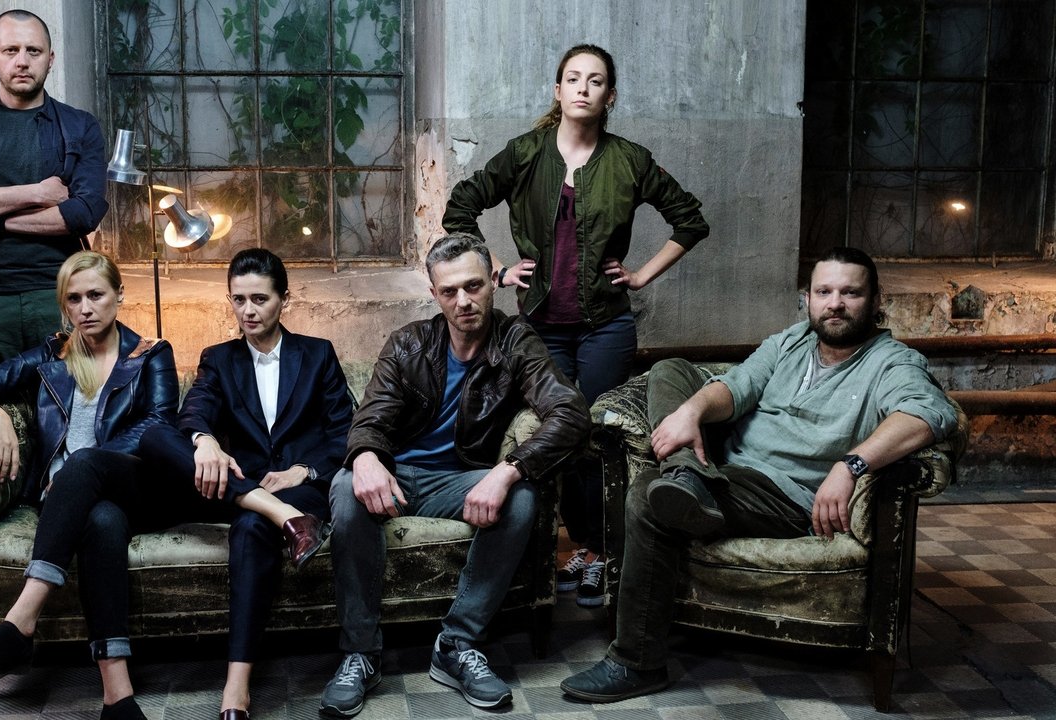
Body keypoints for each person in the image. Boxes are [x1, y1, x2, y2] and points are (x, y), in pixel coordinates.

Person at [560, 247, 959, 702]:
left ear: (874, 300)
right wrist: (691, 411)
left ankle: (636, 663)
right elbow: (737, 387)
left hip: (786, 496)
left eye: (850, 293)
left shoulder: (891, 361)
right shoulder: (790, 342)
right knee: (670, 371)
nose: (835, 304)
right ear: (807, 298)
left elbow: (930, 414)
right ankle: (687, 478)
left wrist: (850, 465)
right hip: (727, 471)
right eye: (824, 292)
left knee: (648, 496)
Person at [442, 43, 710, 607]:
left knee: (601, 434)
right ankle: (558, 550)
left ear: (610, 95)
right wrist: (496, 270)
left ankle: (598, 551)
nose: (583, 88)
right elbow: (461, 206)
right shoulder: (526, 153)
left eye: (595, 80)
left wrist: (640, 276)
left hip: (606, 325)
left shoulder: (629, 160)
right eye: (573, 78)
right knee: (555, 433)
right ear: (557, 90)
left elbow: (690, 220)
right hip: (540, 326)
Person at [320, 233, 591, 716]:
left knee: (522, 496)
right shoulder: (408, 343)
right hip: (400, 475)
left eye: (473, 286)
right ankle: (360, 651)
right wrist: (364, 457)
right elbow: (371, 417)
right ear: (434, 294)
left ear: (493, 282)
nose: (463, 301)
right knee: (344, 487)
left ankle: (457, 644)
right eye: (449, 291)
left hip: (462, 480)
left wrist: (507, 470)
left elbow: (570, 413)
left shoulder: (516, 342)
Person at [0, 251, 177, 720]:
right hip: (81, 501)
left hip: (136, 484)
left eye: (96, 295)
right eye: (74, 299)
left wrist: (81, 469)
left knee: (86, 466)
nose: (85, 308)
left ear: (119, 295)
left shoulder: (151, 354)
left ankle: (20, 622)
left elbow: (158, 424)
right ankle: (118, 697)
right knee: (101, 521)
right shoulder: (53, 354)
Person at [137, 248, 353, 720]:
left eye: (260, 299)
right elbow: (194, 411)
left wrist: (305, 470)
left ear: (284, 300)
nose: (248, 311)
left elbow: (346, 433)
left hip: (300, 487)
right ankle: (285, 520)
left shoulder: (317, 354)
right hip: (244, 484)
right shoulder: (219, 358)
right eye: (238, 300)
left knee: (253, 526)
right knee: (158, 437)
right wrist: (204, 441)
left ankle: (236, 684)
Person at [0, 9, 109, 379]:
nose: (22, 61)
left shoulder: (80, 126)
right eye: (11, 50)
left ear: (50, 58)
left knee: (71, 410)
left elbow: (84, 213)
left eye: (33, 51)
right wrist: (40, 193)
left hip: (60, 300)